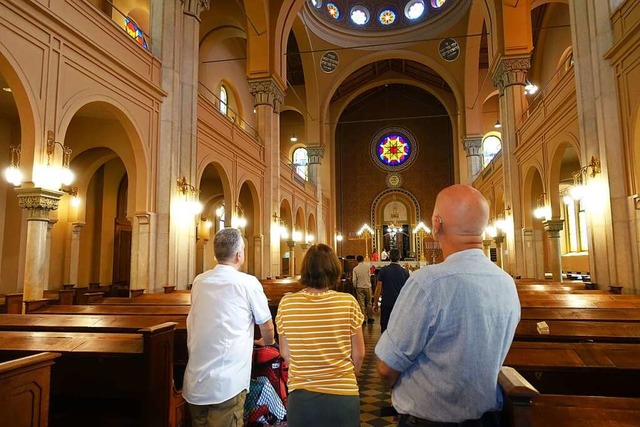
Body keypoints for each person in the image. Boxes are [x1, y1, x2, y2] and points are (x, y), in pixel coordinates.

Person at [375, 185, 520, 426]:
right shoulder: (506, 283)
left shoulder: (428, 283)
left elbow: (386, 368)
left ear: (437, 223)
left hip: (428, 421)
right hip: (487, 419)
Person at [183, 228, 275, 427]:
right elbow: (266, 325)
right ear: (239, 255)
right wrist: (267, 342)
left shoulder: (199, 281)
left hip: (195, 383)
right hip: (226, 384)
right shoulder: (248, 283)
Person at [276, 244, 366, 427]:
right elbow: (359, 354)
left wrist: (307, 371)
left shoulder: (287, 304)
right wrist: (343, 376)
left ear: (305, 269)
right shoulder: (348, 302)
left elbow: (286, 353)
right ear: (334, 270)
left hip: (301, 396)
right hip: (342, 395)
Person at [373, 248, 410, 333]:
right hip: (399, 304)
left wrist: (375, 303)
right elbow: (407, 290)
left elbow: (378, 288)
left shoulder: (384, 270)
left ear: (389, 257)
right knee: (399, 328)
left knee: (385, 328)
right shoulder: (405, 272)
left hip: (386, 303)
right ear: (399, 257)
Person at [352, 254, 375, 324]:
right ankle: (370, 317)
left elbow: (354, 280)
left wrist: (355, 286)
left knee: (361, 304)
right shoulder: (367, 267)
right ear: (363, 260)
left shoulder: (355, 269)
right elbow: (369, 275)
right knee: (369, 303)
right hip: (367, 286)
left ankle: (363, 319)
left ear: (357, 260)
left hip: (359, 287)